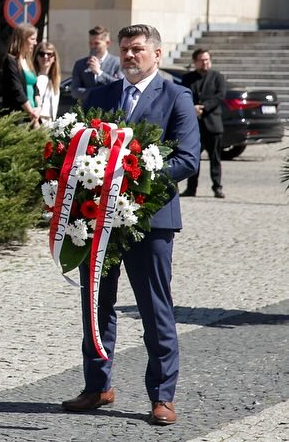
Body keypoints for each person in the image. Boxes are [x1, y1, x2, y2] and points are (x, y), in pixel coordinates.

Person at [63, 24, 200, 426]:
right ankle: (97, 386)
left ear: (157, 54)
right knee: (96, 304)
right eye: (124, 49)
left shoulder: (176, 95)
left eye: (137, 49)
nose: (129, 56)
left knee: (154, 308)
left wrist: (134, 182)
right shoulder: (100, 95)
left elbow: (188, 159)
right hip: (96, 221)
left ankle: (162, 395)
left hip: (150, 221)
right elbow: (79, 149)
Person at [180, 48, 226, 199]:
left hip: (213, 124)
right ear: (195, 62)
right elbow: (183, 95)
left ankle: (217, 188)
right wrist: (191, 108)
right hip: (194, 126)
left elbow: (220, 96)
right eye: (202, 60)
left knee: (215, 159)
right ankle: (191, 188)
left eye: (207, 60)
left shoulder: (217, 77)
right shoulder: (188, 78)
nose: (205, 63)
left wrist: (203, 107)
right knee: (193, 158)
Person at [0, 24, 40, 126]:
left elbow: (35, 89)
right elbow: (17, 90)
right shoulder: (10, 61)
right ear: (22, 39)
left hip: (33, 116)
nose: (35, 43)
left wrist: (38, 108)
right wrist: (31, 112)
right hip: (19, 118)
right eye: (32, 39)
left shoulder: (28, 61)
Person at [70, 25, 123, 102]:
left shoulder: (117, 62)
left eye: (96, 43)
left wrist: (99, 73)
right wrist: (101, 92)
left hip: (110, 110)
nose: (92, 46)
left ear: (107, 43)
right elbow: (75, 92)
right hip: (87, 110)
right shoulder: (80, 64)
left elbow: (121, 86)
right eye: (90, 43)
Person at [34, 40, 61, 125]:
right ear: (37, 57)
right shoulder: (34, 78)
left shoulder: (55, 79)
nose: (45, 57)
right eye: (42, 54)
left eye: (49, 54)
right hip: (37, 120)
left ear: (54, 58)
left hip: (50, 123)